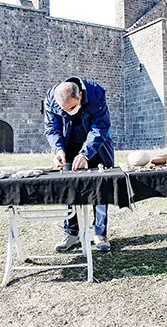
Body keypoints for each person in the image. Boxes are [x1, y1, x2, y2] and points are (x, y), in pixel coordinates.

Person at [44, 76, 114, 252]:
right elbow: (52, 128)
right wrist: (58, 149)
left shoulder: (96, 93)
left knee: (100, 188)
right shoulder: (51, 98)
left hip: (96, 145)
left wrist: (85, 153)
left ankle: (100, 233)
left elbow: (100, 127)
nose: (68, 112)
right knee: (69, 188)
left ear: (80, 96)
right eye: (64, 110)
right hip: (69, 145)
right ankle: (72, 233)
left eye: (72, 108)